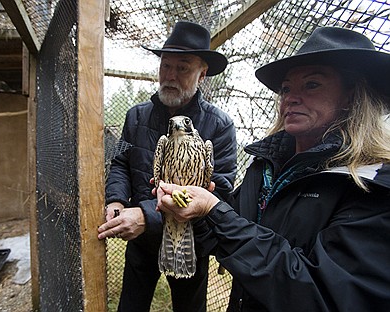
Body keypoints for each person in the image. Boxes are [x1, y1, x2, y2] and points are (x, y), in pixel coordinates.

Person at [155, 26, 390, 311]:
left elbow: (324, 295)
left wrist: (215, 211)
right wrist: (195, 212)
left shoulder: (372, 184)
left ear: (353, 96)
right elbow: (226, 239)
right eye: (286, 88)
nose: (290, 97)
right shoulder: (264, 167)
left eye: (312, 84)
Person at [97, 21, 237, 312]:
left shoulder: (219, 126)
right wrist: (116, 199)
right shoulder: (135, 117)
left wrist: (148, 215)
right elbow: (120, 161)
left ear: (202, 73)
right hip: (142, 243)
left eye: (183, 67)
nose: (170, 76)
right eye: (165, 66)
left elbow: (219, 191)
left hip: (189, 241)